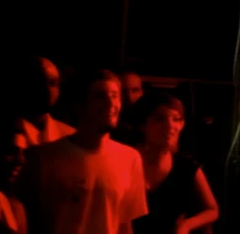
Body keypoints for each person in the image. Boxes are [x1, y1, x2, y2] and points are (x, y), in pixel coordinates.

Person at [18, 69, 148, 234]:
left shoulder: (130, 158)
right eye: (100, 96)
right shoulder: (43, 159)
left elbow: (124, 224)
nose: (110, 103)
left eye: (115, 95)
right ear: (79, 105)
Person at [131, 91, 218, 234]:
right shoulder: (126, 160)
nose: (170, 125)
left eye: (176, 119)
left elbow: (212, 209)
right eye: (159, 119)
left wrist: (186, 225)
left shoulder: (186, 166)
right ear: (142, 125)